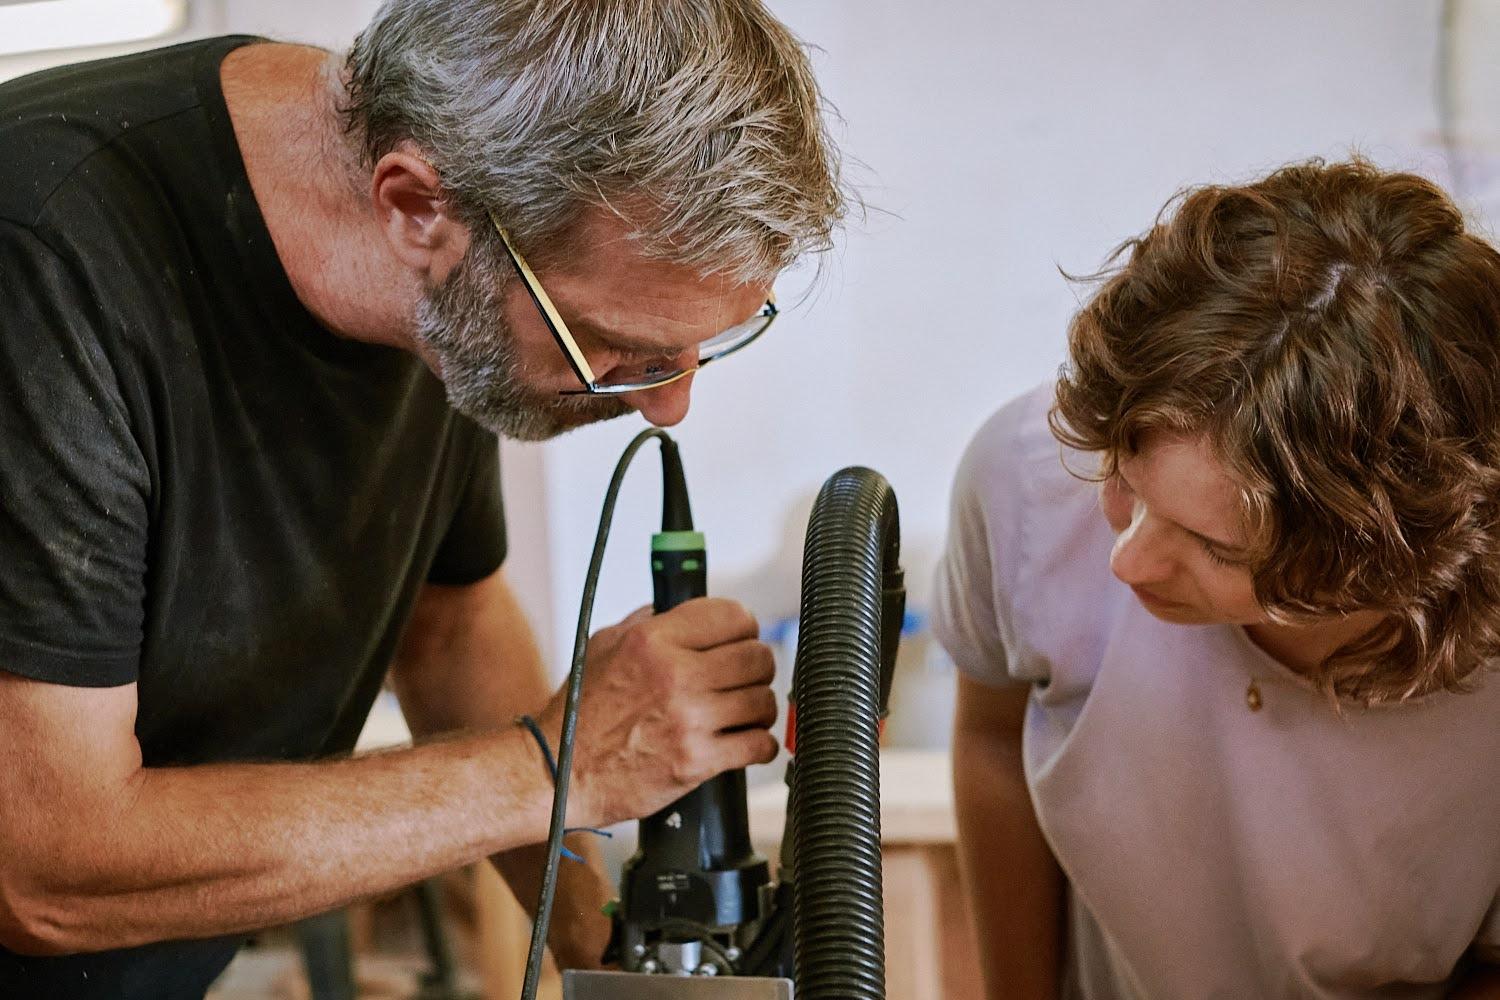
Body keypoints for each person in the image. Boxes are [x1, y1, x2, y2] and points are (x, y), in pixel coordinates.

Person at [0, 1, 846, 996]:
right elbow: (46, 867)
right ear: (413, 208)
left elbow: (450, 630)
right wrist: (555, 767)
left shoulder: (450, 260)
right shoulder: (46, 258)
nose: (667, 406)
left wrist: (611, 961)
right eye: (617, 347)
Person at [935, 160, 1500, 998]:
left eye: (1219, 548)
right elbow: (992, 741)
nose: (1128, 559)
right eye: (1125, 474)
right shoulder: (1027, 477)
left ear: (1382, 569)